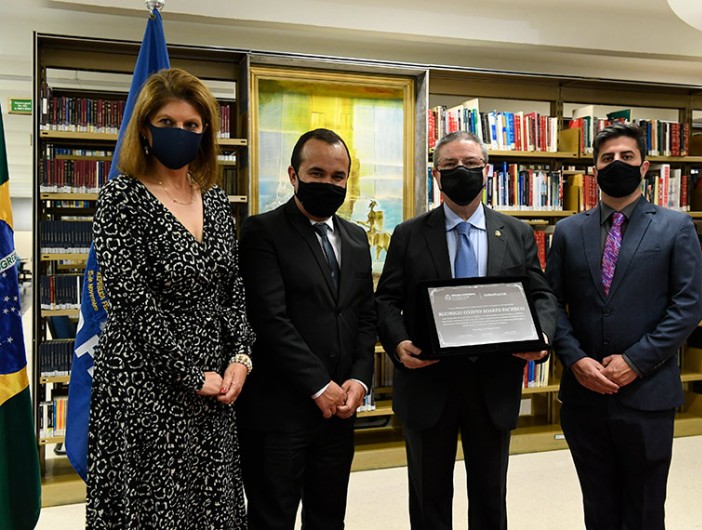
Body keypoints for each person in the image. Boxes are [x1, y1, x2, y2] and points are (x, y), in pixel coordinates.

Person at [86, 68, 255, 528]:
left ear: (204, 134)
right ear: (144, 128)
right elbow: (129, 297)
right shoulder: (121, 196)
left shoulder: (216, 200)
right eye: (167, 123)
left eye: (191, 125)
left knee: (211, 506)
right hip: (146, 381)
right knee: (153, 509)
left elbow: (232, 289)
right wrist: (187, 372)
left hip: (215, 384)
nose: (179, 133)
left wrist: (240, 356)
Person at [375, 130, 557, 529]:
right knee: (429, 498)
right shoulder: (408, 234)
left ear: (487, 172)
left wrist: (542, 338)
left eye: (472, 165)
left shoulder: (518, 233)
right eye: (451, 165)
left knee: (491, 497)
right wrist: (398, 341)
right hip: (428, 383)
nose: (462, 172)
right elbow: (385, 300)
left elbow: (541, 295)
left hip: (492, 385)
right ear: (436, 175)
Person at [545, 122, 702, 530]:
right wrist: (576, 360)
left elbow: (687, 307)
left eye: (626, 157)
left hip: (647, 394)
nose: (617, 164)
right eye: (607, 159)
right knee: (597, 505)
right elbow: (551, 304)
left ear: (645, 166)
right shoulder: (567, 231)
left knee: (646, 507)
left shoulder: (675, 226)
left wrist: (635, 361)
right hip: (584, 395)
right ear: (593, 170)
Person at [235, 128, 376, 529]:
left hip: (338, 413)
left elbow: (365, 314)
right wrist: (318, 385)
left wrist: (359, 380)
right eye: (317, 174)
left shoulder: (356, 238)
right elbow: (269, 319)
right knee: (271, 519)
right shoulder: (261, 232)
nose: (328, 184)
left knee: (329, 518)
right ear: (293, 176)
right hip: (279, 413)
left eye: (338, 176)